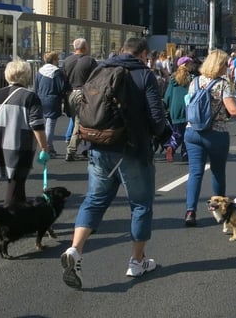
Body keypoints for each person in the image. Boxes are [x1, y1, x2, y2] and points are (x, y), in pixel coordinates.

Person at [60, 37, 166, 289]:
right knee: (140, 205)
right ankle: (136, 261)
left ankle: (75, 250)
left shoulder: (101, 69)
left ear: (121, 51)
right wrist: (161, 135)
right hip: (131, 151)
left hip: (98, 146)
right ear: (142, 54)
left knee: (94, 201)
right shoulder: (144, 75)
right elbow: (156, 116)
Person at [183, 49, 236, 227]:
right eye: (226, 63)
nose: (228, 66)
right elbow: (234, 111)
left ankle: (190, 212)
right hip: (216, 133)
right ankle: (220, 212)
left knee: (195, 172)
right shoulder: (223, 84)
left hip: (192, 132)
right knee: (217, 172)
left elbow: (189, 105)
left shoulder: (195, 82)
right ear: (219, 66)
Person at [0, 59, 47, 207]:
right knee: (17, 180)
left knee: (14, 180)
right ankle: (8, 213)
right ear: (27, 75)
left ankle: (20, 210)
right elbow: (36, 125)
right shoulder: (30, 97)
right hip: (19, 143)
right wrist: (44, 148)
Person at [63, 38, 98, 161]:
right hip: (83, 94)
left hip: (70, 94)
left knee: (75, 121)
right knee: (80, 123)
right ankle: (71, 150)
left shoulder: (67, 60)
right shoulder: (90, 61)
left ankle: (76, 147)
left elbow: (64, 79)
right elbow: (96, 78)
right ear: (84, 48)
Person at [34, 51, 70, 157]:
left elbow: (35, 87)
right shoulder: (56, 72)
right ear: (54, 60)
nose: (58, 61)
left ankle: (48, 146)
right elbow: (61, 87)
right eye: (57, 59)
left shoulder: (40, 71)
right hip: (52, 100)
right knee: (50, 124)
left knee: (44, 123)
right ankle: (48, 147)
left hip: (41, 98)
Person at [163, 56, 195, 162]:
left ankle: (170, 146)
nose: (193, 65)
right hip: (188, 109)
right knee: (188, 133)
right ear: (186, 65)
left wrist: (165, 107)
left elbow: (167, 96)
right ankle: (185, 154)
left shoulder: (173, 79)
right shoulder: (192, 78)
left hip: (175, 110)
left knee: (177, 132)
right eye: (191, 64)